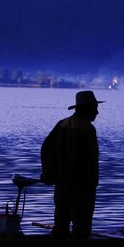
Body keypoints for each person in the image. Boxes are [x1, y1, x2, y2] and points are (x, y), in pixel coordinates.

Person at [41, 90, 104, 239]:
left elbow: (46, 148)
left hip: (61, 185)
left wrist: (48, 173)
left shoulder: (61, 124)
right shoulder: (87, 129)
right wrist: (93, 183)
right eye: (94, 108)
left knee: (60, 223)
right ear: (86, 109)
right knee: (81, 227)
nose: (97, 112)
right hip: (81, 187)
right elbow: (92, 159)